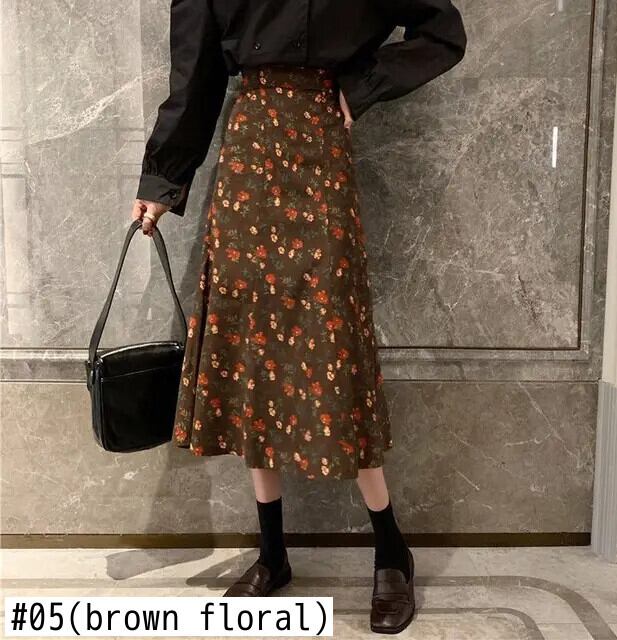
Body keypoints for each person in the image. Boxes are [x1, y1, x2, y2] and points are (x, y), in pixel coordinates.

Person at [131, 0, 466, 634]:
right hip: (249, 155)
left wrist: (362, 86)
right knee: (252, 351)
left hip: (320, 144)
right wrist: (161, 180)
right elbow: (195, 74)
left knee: (334, 345)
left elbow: (442, 33)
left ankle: (391, 549)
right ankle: (273, 553)